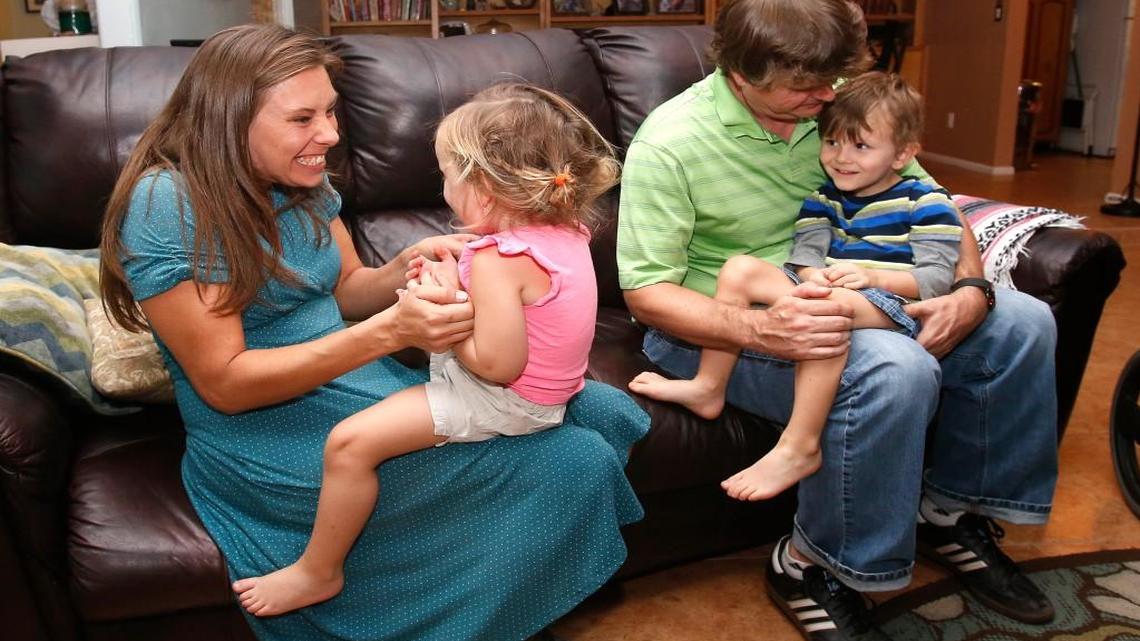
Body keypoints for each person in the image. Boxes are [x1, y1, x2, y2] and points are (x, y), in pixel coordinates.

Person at [99, 25, 648, 641]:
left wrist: (403, 267)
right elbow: (225, 384)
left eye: (330, 110)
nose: (329, 136)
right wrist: (390, 333)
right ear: (229, 121)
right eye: (302, 118)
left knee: (598, 406)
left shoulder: (301, 177)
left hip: (352, 372)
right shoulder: (168, 206)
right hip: (262, 423)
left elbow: (344, 288)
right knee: (570, 458)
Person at [616, 0, 1059, 638]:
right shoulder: (670, 141)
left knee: (1023, 323)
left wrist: (970, 287)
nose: (825, 97)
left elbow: (933, 200)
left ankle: (946, 513)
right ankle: (811, 563)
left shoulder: (838, 97)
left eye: (832, 80)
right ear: (742, 74)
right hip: (721, 326)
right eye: (804, 87)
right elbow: (647, 294)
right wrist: (759, 329)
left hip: (845, 285)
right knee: (893, 369)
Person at [229, 83, 621, 617]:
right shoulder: (565, 232)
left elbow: (500, 365)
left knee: (349, 445)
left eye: (446, 175)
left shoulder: (496, 259)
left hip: (505, 399)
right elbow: (525, 314)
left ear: (482, 190)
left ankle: (317, 572)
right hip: (549, 392)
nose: (442, 188)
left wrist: (447, 320)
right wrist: (454, 289)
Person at [628, 72, 963, 502]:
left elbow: (935, 279)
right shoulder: (824, 198)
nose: (841, 157)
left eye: (860, 146)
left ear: (903, 154)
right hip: (836, 288)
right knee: (740, 270)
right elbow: (804, 255)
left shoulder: (925, 202)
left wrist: (874, 278)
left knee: (821, 314)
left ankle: (799, 445)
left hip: (894, 299)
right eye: (832, 142)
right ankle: (709, 387)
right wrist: (810, 278)